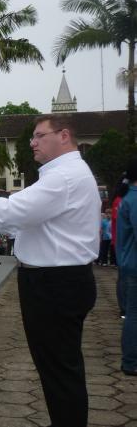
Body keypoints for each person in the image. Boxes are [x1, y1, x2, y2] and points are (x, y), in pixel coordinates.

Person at [0, 114, 99, 427]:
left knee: (59, 371)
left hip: (55, 283)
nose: (32, 142)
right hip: (57, 280)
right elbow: (32, 220)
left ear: (64, 135)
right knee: (58, 368)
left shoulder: (64, 176)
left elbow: (17, 208)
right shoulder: (63, 174)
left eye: (40, 135)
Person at [116, 157, 137, 377]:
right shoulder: (135, 199)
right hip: (135, 264)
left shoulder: (128, 197)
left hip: (129, 262)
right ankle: (131, 361)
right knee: (135, 314)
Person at [113, 177, 130, 317]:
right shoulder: (122, 201)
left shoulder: (122, 200)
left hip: (121, 244)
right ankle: (124, 307)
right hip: (123, 245)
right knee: (124, 278)